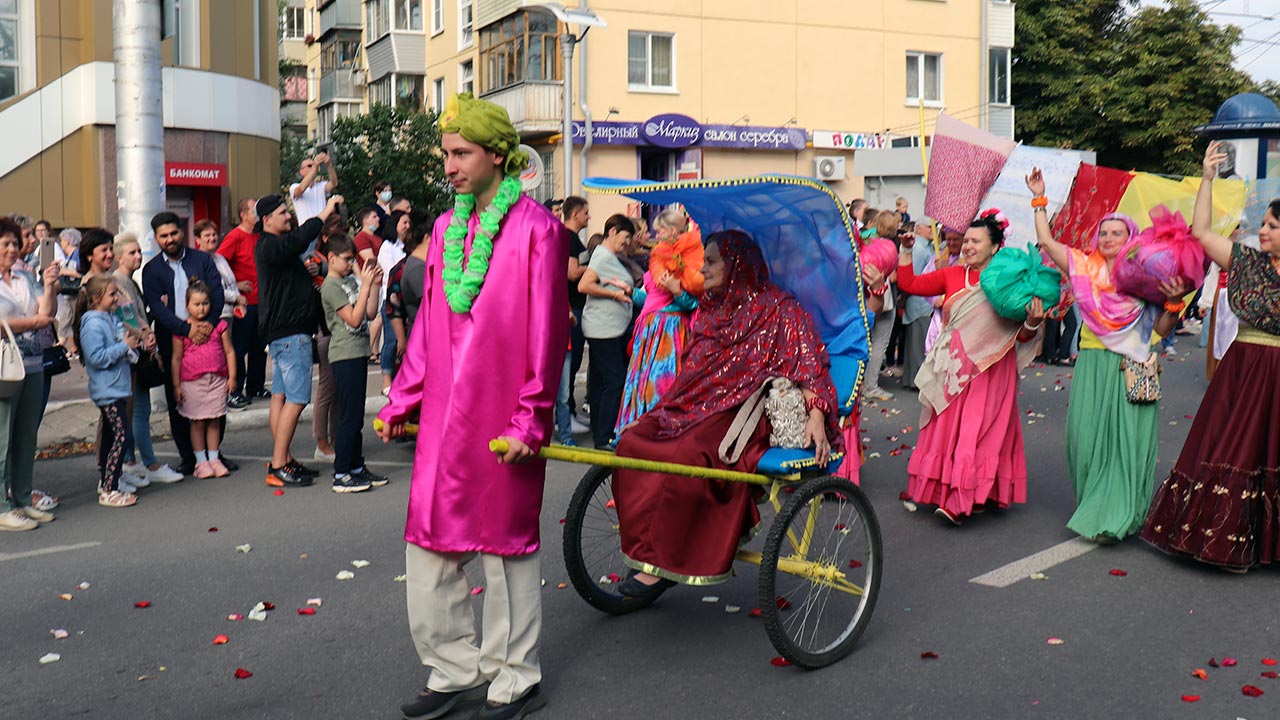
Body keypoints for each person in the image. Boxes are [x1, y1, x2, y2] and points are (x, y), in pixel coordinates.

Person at [377, 93, 566, 720]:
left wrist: (530, 420)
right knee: (428, 546)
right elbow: (430, 323)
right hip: (442, 424)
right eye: (447, 155)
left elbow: (548, 335)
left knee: (505, 549)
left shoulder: (538, 230)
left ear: (496, 155)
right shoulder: (442, 229)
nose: (450, 166)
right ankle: (452, 669)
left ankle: (515, 675)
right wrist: (403, 397)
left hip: (503, 420)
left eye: (461, 154)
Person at [613, 231, 841, 596]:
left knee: (684, 455)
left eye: (713, 260)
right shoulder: (710, 308)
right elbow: (690, 374)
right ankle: (650, 552)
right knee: (632, 441)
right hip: (693, 406)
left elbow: (808, 364)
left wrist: (816, 414)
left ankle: (667, 560)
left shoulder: (780, 307)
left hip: (743, 412)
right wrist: (659, 411)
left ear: (737, 263)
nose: (703, 268)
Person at [1025, 169, 1186, 542]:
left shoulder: (1146, 272)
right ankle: (1095, 501)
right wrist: (1040, 198)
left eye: (1118, 232)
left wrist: (1175, 303)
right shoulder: (1084, 267)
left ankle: (1119, 512)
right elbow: (1047, 243)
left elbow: (1161, 329)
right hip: (1093, 362)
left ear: (1131, 237)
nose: (1109, 237)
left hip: (1133, 362)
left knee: (1127, 441)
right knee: (1084, 437)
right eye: (1104, 232)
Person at [1140, 143, 1280, 571]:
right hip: (1244, 366)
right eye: (1264, 224)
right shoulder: (1247, 262)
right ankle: (1220, 542)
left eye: (1273, 226)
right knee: (1232, 445)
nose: (1263, 231)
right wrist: (1206, 177)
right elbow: (1200, 232)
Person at [895, 211, 1045, 525]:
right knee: (950, 432)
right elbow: (908, 284)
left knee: (979, 433)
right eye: (966, 240)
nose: (967, 246)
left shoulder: (1009, 280)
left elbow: (1024, 333)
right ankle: (959, 492)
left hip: (991, 369)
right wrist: (906, 249)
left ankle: (962, 499)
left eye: (976, 241)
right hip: (954, 369)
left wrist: (1032, 320)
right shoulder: (952, 275)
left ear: (995, 247)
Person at [255, 192, 341, 488]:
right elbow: (298, 239)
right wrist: (325, 210)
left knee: (281, 396)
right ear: (266, 220)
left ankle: (284, 458)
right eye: (283, 213)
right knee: (297, 398)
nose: (288, 217)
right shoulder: (269, 244)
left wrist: (306, 273)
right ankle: (279, 464)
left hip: (285, 333)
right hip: (291, 333)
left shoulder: (275, 248)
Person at [141, 212, 227, 477]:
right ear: (156, 239)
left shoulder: (202, 260)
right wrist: (187, 330)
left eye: (174, 233)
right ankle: (190, 458)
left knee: (214, 398)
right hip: (174, 341)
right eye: (164, 236)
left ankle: (214, 455)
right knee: (179, 398)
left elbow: (218, 293)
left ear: (182, 232)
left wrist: (208, 325)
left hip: (209, 336)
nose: (170, 239)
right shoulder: (152, 269)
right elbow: (157, 308)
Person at [614, 209, 697, 438]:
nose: (655, 235)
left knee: (660, 386)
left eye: (659, 231)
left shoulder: (686, 258)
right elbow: (650, 298)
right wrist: (630, 291)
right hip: (649, 330)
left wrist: (676, 291)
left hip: (669, 332)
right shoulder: (658, 257)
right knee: (641, 385)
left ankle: (660, 433)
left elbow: (692, 302)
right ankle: (637, 433)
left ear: (671, 231)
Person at [0, 218, 60, 530]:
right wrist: (32, 322)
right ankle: (1, 507)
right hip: (4, 368)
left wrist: (49, 284)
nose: (12, 249)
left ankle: (22, 499)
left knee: (25, 435)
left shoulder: (24, 276)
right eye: (5, 244)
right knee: (2, 437)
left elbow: (46, 311)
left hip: (33, 362)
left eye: (14, 243)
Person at [113, 234, 184, 486]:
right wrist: (147, 336)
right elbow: (128, 318)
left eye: (139, 251)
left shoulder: (130, 281)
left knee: (136, 411)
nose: (138, 256)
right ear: (118, 256)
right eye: (132, 252)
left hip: (137, 350)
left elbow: (137, 314)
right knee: (140, 411)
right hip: (133, 352)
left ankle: (133, 462)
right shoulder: (119, 282)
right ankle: (150, 463)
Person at [320, 233, 388, 493]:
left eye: (352, 260)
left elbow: (370, 312)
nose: (351, 264)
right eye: (347, 260)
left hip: (358, 351)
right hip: (344, 354)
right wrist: (365, 284)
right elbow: (354, 318)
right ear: (331, 258)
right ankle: (342, 473)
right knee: (349, 417)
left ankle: (356, 467)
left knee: (356, 415)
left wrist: (374, 286)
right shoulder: (331, 287)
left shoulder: (348, 280)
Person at [75, 276, 142, 508]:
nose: (117, 298)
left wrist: (131, 347)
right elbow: (96, 357)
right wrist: (124, 347)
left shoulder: (111, 318)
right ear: (96, 298)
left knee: (112, 438)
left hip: (117, 386)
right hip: (107, 389)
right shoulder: (93, 324)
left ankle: (109, 481)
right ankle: (109, 488)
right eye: (112, 294)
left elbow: (124, 343)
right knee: (123, 437)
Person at [579, 214, 636, 449]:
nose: (627, 242)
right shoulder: (602, 256)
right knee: (614, 381)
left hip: (607, 328)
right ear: (612, 231)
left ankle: (600, 432)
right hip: (604, 330)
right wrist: (615, 294)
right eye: (625, 237)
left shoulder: (608, 256)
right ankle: (604, 438)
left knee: (602, 382)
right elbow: (585, 285)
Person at [171, 281, 235, 479]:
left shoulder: (219, 326)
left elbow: (229, 351)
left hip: (216, 380)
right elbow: (176, 358)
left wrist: (232, 376)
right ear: (187, 305)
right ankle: (201, 461)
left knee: (215, 420)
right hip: (192, 382)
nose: (201, 308)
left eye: (205, 303)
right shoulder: (182, 329)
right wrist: (176, 385)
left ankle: (214, 458)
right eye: (197, 304)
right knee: (197, 422)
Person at [218, 198, 267, 407]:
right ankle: (236, 389)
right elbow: (218, 264)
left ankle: (256, 386)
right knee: (239, 347)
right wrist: (236, 285)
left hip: (261, 300)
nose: (258, 214)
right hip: (244, 303)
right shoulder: (235, 237)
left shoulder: (259, 236)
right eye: (254, 210)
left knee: (259, 345)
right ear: (244, 214)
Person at [310, 214, 343, 462]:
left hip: (338, 333)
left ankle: (335, 438)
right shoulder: (315, 263)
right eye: (335, 234)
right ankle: (321, 443)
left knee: (337, 390)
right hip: (325, 332)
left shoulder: (337, 268)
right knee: (326, 389)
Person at [861, 210, 902, 401]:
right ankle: (870, 386)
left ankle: (858, 383)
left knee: (863, 338)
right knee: (880, 342)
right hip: (882, 295)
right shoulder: (891, 246)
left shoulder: (864, 239)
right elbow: (892, 276)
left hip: (862, 296)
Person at [560, 195, 591, 431]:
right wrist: (593, 268)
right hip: (573, 308)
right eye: (585, 212)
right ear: (574, 214)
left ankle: (569, 410)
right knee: (571, 362)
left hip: (578, 307)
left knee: (576, 359)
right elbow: (571, 273)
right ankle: (566, 415)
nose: (588, 217)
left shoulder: (572, 239)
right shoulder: (568, 239)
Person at [900, 220, 935, 390]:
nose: (933, 230)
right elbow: (911, 276)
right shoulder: (919, 248)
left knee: (916, 342)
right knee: (918, 343)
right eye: (929, 226)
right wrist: (905, 298)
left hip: (922, 301)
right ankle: (916, 380)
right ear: (919, 228)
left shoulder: (926, 246)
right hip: (918, 301)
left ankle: (911, 378)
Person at [377, 210, 410, 393]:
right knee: (392, 341)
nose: (407, 226)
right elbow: (392, 272)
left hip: (405, 300)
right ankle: (386, 379)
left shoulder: (407, 245)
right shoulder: (387, 247)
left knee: (404, 342)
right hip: (391, 299)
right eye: (404, 222)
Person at [924, 227, 965, 354]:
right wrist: (934, 299)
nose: (952, 243)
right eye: (949, 239)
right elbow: (925, 283)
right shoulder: (938, 257)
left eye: (956, 240)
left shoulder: (970, 260)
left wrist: (947, 272)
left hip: (961, 318)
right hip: (939, 318)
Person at [400, 211, 434, 328]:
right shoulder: (418, 269)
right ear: (428, 238)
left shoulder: (420, 264)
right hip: (422, 333)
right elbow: (433, 303)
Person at [290, 152, 339, 226]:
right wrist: (315, 167)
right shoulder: (294, 187)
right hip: (306, 232)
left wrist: (329, 164)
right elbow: (301, 189)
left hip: (322, 229)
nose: (313, 167)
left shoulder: (321, 186)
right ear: (301, 172)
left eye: (313, 165)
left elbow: (334, 183)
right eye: (310, 166)